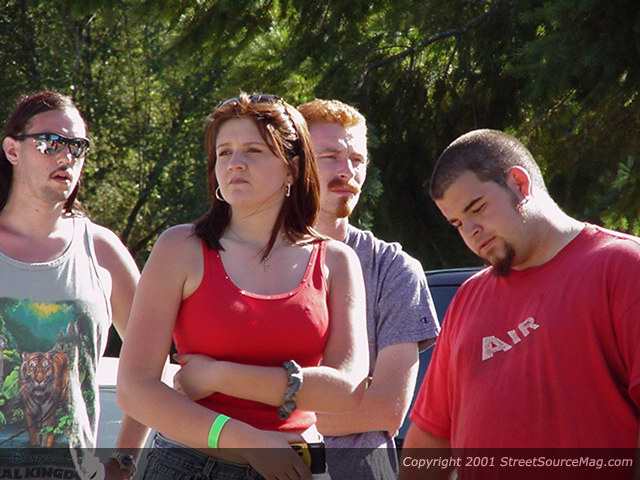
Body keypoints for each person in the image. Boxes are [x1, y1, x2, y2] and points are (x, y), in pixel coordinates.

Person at [117, 93, 369, 480]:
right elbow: (135, 389)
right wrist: (247, 439)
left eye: (253, 150)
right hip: (189, 467)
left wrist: (218, 375)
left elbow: (346, 390)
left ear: (292, 168)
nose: (235, 163)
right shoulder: (180, 248)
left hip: (298, 468)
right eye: (224, 152)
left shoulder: (336, 261)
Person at [401, 129, 640, 477]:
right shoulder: (468, 297)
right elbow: (430, 439)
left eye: (477, 208)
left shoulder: (623, 266)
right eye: (457, 223)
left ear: (519, 183)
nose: (471, 231)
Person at [0, 90, 148, 478]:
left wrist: (125, 460)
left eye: (77, 146)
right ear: (13, 150)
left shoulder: (101, 250)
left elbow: (150, 359)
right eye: (50, 142)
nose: (66, 156)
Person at [297, 98, 439, 479]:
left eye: (357, 160)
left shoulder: (395, 268)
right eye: (330, 157)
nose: (347, 171)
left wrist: (268, 411)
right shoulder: (249, 260)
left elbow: (387, 409)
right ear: (294, 163)